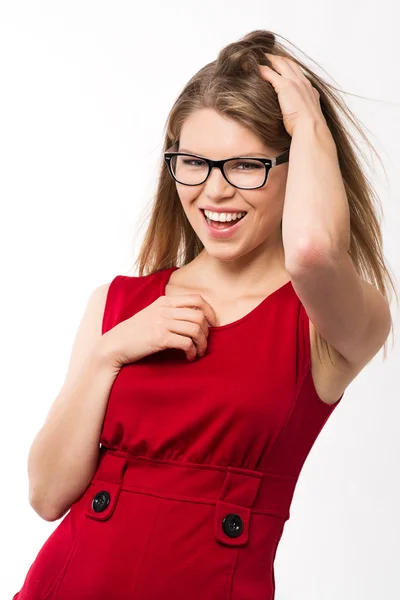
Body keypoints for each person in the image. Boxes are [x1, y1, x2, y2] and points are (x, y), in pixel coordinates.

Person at [13, 29, 396, 600]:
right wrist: (109, 352)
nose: (214, 192)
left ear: (297, 167)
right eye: (193, 162)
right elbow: (46, 495)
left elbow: (314, 251)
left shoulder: (328, 322)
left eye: (246, 165)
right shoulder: (119, 304)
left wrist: (311, 122)